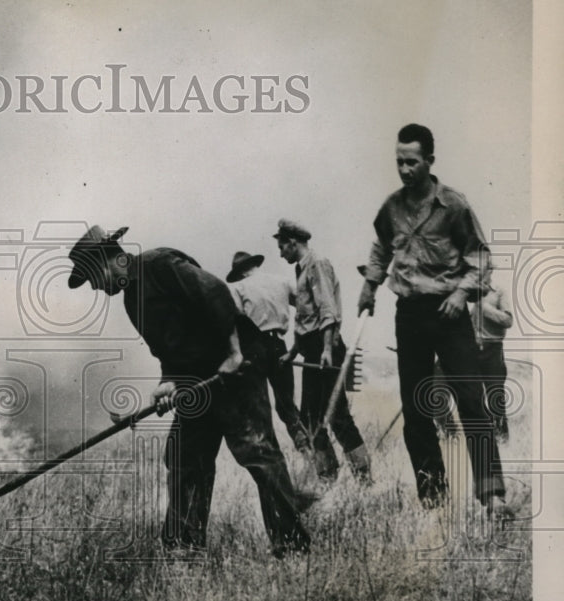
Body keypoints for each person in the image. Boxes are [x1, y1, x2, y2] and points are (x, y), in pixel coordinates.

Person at [67, 225, 311, 557]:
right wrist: (168, 382)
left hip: (235, 370)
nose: (95, 286)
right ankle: (184, 550)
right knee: (184, 458)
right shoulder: (132, 300)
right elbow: (169, 350)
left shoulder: (159, 264)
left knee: (257, 452)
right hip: (198, 383)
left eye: (92, 277)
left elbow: (216, 293)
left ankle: (292, 547)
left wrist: (234, 353)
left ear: (105, 260)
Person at [357, 123, 507, 515]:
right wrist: (370, 285)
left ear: (429, 161)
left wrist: (461, 293)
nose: (404, 169)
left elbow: (480, 257)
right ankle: (434, 499)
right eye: (399, 162)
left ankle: (492, 494)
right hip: (409, 315)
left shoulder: (454, 205)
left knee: (471, 400)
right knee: (416, 408)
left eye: (412, 162)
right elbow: (381, 247)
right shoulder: (391, 207)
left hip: (449, 313)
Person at [275, 220, 372, 483]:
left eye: (282, 247)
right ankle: (327, 478)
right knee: (310, 418)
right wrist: (293, 352)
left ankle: (364, 478)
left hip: (325, 350)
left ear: (293, 242)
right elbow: (306, 318)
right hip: (313, 351)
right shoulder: (301, 269)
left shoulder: (317, 264)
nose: (280, 253)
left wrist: (327, 349)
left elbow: (327, 310)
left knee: (337, 416)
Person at [225, 250, 312, 453]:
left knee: (259, 407)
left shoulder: (238, 287)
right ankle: (308, 451)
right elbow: (305, 305)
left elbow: (236, 321)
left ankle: (271, 459)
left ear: (241, 272)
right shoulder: (281, 281)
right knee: (286, 405)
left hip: (253, 349)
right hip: (279, 347)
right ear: (254, 265)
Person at [473, 279, 513, 444]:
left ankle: (502, 437)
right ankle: (485, 432)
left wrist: (485, 308)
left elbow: (508, 321)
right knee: (472, 395)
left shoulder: (498, 291)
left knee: (495, 396)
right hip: (469, 351)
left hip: (492, 350)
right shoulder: (463, 291)